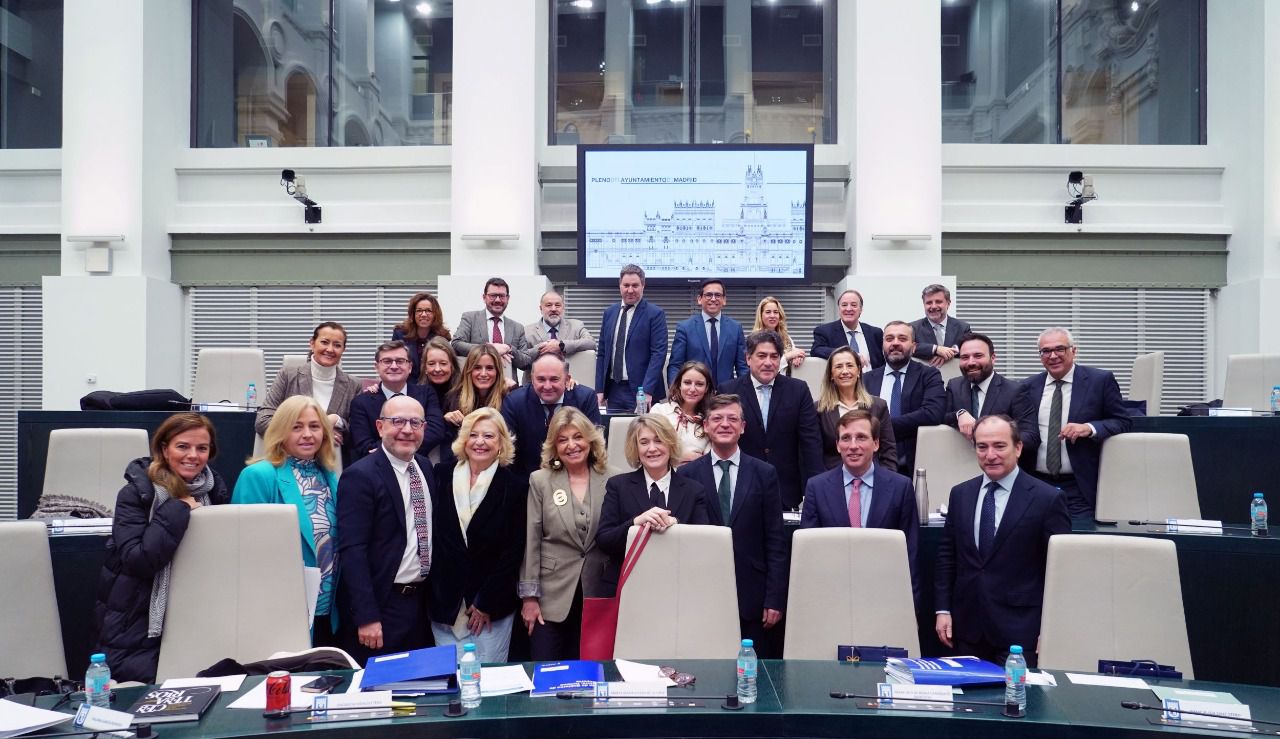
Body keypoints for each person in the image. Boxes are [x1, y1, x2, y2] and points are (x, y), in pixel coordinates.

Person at [94, 413, 230, 683]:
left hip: (198, 611)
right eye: (183, 446)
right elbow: (138, 560)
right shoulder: (136, 493)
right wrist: (178, 507)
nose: (193, 455)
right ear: (164, 448)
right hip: (137, 626)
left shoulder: (214, 491)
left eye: (202, 448)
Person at [935, 415, 1070, 668]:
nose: (990, 454)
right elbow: (947, 556)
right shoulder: (961, 494)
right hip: (967, 629)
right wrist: (943, 609)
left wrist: (1051, 629)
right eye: (982, 446)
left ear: (1018, 448)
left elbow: (1061, 572)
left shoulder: (1047, 499)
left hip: (1020, 634)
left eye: (999, 446)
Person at [677, 394, 788, 656]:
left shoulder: (764, 473)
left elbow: (775, 540)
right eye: (717, 418)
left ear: (743, 427)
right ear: (705, 426)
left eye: (732, 419)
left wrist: (774, 598)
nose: (724, 424)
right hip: (703, 594)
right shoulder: (687, 475)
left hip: (754, 597)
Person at [233, 395, 342, 645]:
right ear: (281, 431)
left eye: (314, 426)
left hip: (328, 611)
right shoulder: (258, 476)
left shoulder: (330, 476)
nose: (307, 434)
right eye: (296, 426)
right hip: (279, 610)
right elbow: (244, 551)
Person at [336, 395, 434, 662]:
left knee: (420, 693)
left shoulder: (425, 467)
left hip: (421, 605)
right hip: (383, 605)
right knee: (383, 693)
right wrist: (367, 616)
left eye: (415, 422)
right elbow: (352, 550)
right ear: (380, 427)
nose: (407, 430)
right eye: (398, 421)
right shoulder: (360, 476)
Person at [429, 408, 527, 663]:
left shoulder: (515, 486)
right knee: (450, 682)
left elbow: (513, 551)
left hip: (490, 609)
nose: (480, 442)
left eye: (489, 436)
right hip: (446, 604)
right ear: (463, 439)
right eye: (473, 435)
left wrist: (486, 602)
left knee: (489, 684)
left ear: (501, 443)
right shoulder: (440, 475)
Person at [519, 407, 611, 660]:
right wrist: (529, 598)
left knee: (591, 676)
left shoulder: (613, 478)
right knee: (548, 674)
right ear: (554, 446)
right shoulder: (541, 480)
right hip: (550, 599)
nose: (572, 445)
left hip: (598, 594)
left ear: (590, 440)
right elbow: (532, 540)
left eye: (578, 437)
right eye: (563, 439)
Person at [800, 408, 919, 602]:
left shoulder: (900, 487)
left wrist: (912, 607)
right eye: (846, 438)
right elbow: (809, 554)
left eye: (861, 437)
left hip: (885, 597)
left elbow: (911, 554)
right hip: (831, 597)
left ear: (876, 443)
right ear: (837, 445)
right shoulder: (817, 487)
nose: (853, 446)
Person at [1021, 327, 1132, 518]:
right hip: (1035, 483)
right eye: (1046, 351)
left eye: (1060, 349)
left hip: (1079, 486)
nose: (1053, 356)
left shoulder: (1100, 381)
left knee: (1076, 542)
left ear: (1074, 350)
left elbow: (1123, 421)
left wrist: (1090, 428)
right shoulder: (1028, 387)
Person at [597, 415, 711, 588]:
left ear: (670, 443)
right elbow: (604, 541)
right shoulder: (618, 486)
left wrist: (676, 526)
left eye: (659, 440)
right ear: (635, 447)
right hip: (627, 587)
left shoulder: (694, 490)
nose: (652, 448)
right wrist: (636, 523)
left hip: (677, 587)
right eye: (644, 442)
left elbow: (702, 545)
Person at [721, 330, 823, 510]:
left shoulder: (798, 390)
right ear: (748, 358)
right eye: (761, 356)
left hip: (786, 490)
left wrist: (816, 490)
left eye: (774, 356)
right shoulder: (728, 391)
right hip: (740, 487)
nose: (768, 362)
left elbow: (811, 442)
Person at [256, 321, 362, 450]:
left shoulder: (354, 385)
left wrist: (337, 420)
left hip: (332, 463)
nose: (330, 349)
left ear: (343, 350)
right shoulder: (288, 376)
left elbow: (358, 432)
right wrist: (320, 434)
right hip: (287, 458)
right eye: (324, 342)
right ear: (312, 343)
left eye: (337, 345)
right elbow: (262, 421)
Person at [862, 321, 945, 474]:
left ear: (913, 347)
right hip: (872, 465)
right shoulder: (865, 379)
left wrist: (883, 427)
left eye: (902, 338)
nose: (895, 343)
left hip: (913, 465)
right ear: (882, 346)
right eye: (889, 339)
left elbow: (932, 413)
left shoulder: (928, 375)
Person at [502, 352, 602, 475]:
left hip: (574, 478)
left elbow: (594, 446)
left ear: (567, 379)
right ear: (532, 379)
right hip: (526, 483)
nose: (547, 386)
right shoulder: (514, 402)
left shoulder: (585, 399)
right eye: (541, 379)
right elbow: (508, 453)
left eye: (554, 379)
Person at [349, 340, 447, 459]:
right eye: (387, 361)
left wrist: (395, 449)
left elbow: (435, 431)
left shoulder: (426, 394)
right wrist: (408, 445)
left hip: (418, 466)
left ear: (410, 367)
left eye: (400, 361)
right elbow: (365, 446)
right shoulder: (360, 403)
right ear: (377, 367)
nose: (394, 366)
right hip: (379, 471)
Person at [944, 333, 1037, 449]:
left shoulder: (1015, 391)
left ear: (993, 358)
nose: (971, 362)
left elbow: (1031, 436)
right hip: (960, 462)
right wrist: (959, 414)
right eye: (965, 357)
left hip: (999, 464)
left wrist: (998, 442)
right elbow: (940, 416)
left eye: (978, 356)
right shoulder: (954, 386)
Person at [596, 264, 668, 412]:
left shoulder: (655, 314)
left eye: (635, 285)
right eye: (626, 285)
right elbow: (602, 353)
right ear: (620, 286)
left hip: (641, 392)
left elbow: (658, 354)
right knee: (614, 432)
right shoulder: (609, 313)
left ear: (643, 286)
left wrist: (647, 391)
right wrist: (599, 389)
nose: (630, 290)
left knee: (641, 434)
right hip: (613, 390)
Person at [816, 346, 898, 472]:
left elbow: (889, 451)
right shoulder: (818, 409)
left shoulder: (878, 406)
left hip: (872, 481)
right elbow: (814, 453)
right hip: (833, 482)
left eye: (849, 365)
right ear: (831, 375)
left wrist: (886, 483)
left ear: (859, 371)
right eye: (838, 367)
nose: (845, 371)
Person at [452, 277, 534, 384]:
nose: (497, 300)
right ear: (484, 297)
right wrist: (489, 348)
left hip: (507, 389)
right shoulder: (470, 318)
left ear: (508, 298)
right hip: (475, 387)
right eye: (493, 296)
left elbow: (526, 362)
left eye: (502, 296)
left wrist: (509, 348)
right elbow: (456, 344)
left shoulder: (517, 327)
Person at [666, 278, 748, 386]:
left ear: (724, 300)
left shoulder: (735, 328)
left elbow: (742, 367)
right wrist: (675, 391)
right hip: (695, 394)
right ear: (699, 299)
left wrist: (747, 393)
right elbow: (675, 365)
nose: (713, 299)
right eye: (708, 295)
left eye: (718, 295)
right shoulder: (685, 328)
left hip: (725, 395)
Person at [441, 345, 511, 465]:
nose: (483, 374)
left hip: (498, 467)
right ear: (469, 370)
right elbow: (449, 449)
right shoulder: (453, 398)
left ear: (497, 371)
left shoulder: (509, 400)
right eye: (477, 368)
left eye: (489, 368)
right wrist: (446, 420)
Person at [523, 291, 596, 385]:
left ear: (563, 308)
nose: (553, 309)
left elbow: (591, 343)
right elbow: (521, 358)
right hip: (534, 387)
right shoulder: (527, 331)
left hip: (569, 385)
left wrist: (561, 345)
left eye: (557, 305)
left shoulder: (576, 326)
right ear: (541, 309)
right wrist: (543, 347)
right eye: (549, 305)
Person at [650, 361, 714, 465]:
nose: (692, 389)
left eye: (699, 384)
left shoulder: (709, 421)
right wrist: (680, 457)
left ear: (706, 388)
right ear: (679, 384)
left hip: (694, 478)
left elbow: (707, 463)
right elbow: (649, 450)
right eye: (687, 383)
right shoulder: (659, 412)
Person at [810, 289, 885, 368]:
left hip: (871, 379)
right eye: (844, 305)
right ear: (839, 308)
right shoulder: (825, 331)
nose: (848, 309)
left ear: (861, 309)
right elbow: (816, 350)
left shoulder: (875, 333)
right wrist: (847, 354)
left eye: (854, 305)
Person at [391, 291, 452, 381]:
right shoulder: (400, 334)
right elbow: (393, 363)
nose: (423, 314)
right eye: (419, 310)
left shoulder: (443, 336)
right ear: (413, 314)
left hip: (433, 386)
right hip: (406, 385)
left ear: (435, 314)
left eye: (428, 311)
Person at [910, 284, 971, 367]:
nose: (934, 306)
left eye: (938, 302)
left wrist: (948, 353)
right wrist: (936, 349)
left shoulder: (963, 328)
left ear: (948, 304)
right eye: (929, 303)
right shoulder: (913, 328)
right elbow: (908, 347)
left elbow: (970, 349)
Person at [753, 296, 805, 372]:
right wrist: (788, 356)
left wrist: (798, 357)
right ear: (761, 315)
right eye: (768, 312)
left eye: (775, 312)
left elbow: (796, 352)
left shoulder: (786, 338)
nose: (772, 316)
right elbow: (764, 366)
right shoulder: (755, 339)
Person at [419, 336, 460, 411]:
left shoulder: (465, 394)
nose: (437, 369)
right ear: (425, 368)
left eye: (443, 363)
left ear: (452, 366)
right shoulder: (417, 395)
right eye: (431, 364)